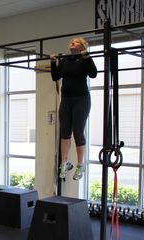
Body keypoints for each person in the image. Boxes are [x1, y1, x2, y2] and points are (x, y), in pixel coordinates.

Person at [50, 37, 97, 180]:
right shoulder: (64, 61)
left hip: (81, 100)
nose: (72, 43)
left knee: (78, 131)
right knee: (65, 132)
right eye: (71, 41)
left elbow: (93, 74)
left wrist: (87, 56)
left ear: (82, 46)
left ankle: (80, 165)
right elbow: (55, 76)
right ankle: (64, 163)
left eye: (75, 42)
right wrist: (53, 62)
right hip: (66, 100)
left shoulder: (84, 60)